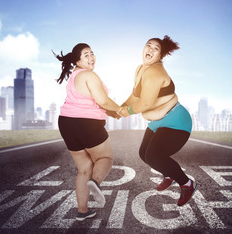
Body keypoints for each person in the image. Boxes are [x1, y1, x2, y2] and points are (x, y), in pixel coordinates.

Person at [118, 35, 197, 206]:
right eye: (148, 45)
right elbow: (135, 95)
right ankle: (169, 174)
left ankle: (187, 184)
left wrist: (128, 111)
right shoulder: (141, 69)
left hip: (176, 122)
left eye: (156, 48)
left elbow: (146, 102)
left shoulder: (156, 72)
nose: (151, 49)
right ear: (143, 49)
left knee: (154, 156)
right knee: (144, 154)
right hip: (156, 123)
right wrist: (121, 107)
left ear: (160, 56)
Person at [54, 43, 121, 221]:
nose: (91, 58)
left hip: (66, 123)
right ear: (77, 60)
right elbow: (102, 100)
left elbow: (91, 102)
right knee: (104, 159)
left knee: (84, 168)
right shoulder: (88, 75)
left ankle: (82, 211)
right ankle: (96, 182)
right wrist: (120, 109)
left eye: (92, 53)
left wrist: (112, 112)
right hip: (86, 123)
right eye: (86, 55)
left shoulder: (74, 76)